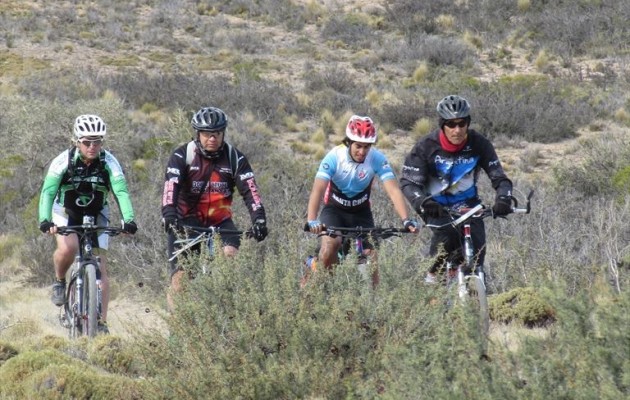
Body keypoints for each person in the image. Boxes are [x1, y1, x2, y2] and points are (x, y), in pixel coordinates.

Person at [39, 114, 138, 334]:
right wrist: (45, 220)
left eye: (98, 141)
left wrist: (128, 220)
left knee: (100, 267)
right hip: (65, 210)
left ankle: (101, 323)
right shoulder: (62, 161)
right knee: (68, 247)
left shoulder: (109, 162)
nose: (93, 146)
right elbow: (47, 192)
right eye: (87, 142)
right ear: (76, 141)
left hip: (97, 212)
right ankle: (59, 281)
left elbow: (120, 191)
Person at [400, 95, 513, 283]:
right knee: (447, 237)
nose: (457, 130)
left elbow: (500, 178)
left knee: (477, 252)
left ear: (468, 123)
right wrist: (423, 201)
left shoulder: (479, 144)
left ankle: (474, 296)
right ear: (442, 125)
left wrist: (503, 198)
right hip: (434, 205)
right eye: (451, 124)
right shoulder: (425, 147)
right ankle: (432, 283)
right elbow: (408, 183)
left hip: (468, 204)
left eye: (462, 124)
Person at [162, 106, 267, 302]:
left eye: (217, 133)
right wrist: (169, 214)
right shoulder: (182, 155)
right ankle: (175, 329)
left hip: (220, 221)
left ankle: (225, 309)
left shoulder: (235, 158)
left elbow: (250, 191)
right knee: (180, 280)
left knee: (230, 256)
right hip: (186, 221)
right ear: (198, 134)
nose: (212, 138)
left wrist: (259, 219)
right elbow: (171, 186)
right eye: (207, 134)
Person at [306, 115, 418, 287]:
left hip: (361, 213)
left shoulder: (377, 159)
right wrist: (312, 220)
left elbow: (394, 191)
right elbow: (318, 190)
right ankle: (318, 287)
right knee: (331, 246)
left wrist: (406, 219)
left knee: (372, 256)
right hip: (334, 210)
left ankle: (372, 305)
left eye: (367, 147)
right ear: (349, 142)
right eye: (358, 146)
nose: (362, 152)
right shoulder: (334, 157)